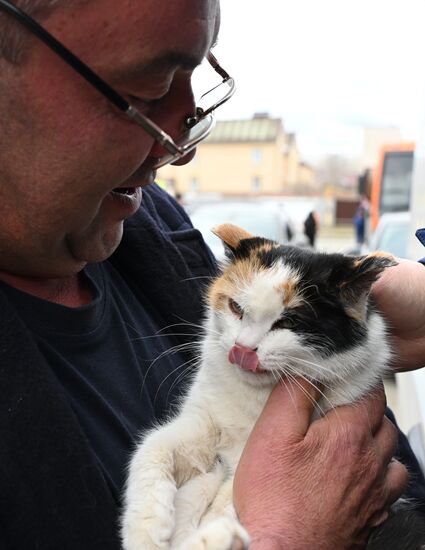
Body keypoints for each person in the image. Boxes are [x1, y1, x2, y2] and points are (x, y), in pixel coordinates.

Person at [0, 1, 422, 549]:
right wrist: (285, 538)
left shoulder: (142, 217)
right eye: (148, 88)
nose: (180, 151)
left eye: (198, 74)